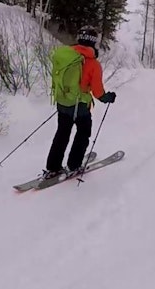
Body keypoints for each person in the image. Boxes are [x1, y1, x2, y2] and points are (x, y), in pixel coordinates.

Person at [43, 25, 116, 179]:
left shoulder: (67, 56)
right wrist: (108, 97)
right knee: (83, 133)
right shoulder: (92, 63)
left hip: (63, 102)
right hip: (80, 106)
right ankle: (74, 165)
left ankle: (53, 167)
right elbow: (98, 92)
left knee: (62, 133)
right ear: (94, 41)